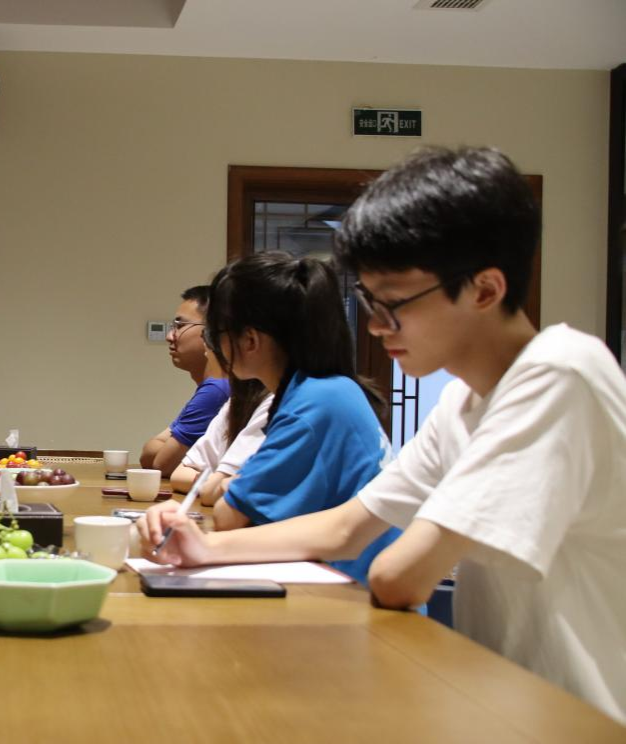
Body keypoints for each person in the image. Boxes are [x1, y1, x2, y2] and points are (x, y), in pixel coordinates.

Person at [138, 146, 626, 723]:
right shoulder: (463, 401)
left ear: (485, 289)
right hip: (493, 699)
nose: (374, 325)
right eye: (370, 301)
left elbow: (399, 579)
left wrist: (219, 545)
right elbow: (348, 525)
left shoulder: (559, 373)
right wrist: (204, 548)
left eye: (394, 303)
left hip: (574, 716)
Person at [149, 253, 398, 585]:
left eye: (217, 334)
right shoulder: (325, 390)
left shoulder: (312, 402)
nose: (215, 347)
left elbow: (228, 516)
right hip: (339, 580)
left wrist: (231, 487)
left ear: (250, 340)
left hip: (352, 595)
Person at [139, 286, 230, 477]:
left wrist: (166, 451)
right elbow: (149, 452)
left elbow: (160, 464)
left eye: (180, 326)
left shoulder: (217, 390)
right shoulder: (213, 388)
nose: (169, 336)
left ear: (211, 332)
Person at [168, 376, 272, 506]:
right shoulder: (238, 400)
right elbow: (179, 475)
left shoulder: (274, 401)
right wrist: (214, 482)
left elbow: (211, 493)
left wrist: (212, 483)